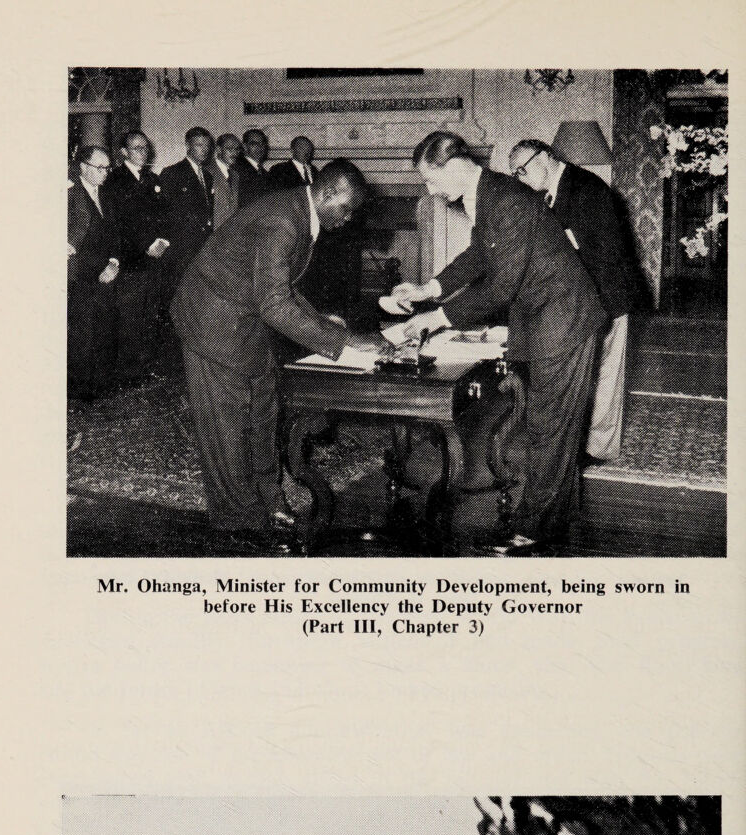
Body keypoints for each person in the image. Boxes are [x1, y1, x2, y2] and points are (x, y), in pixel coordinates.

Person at [392, 131, 607, 544]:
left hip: (563, 317)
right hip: (545, 315)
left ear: (454, 167)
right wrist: (429, 289)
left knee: (549, 424)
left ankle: (530, 532)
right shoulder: (487, 194)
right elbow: (478, 256)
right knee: (548, 422)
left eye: (431, 180)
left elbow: (500, 288)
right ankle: (552, 521)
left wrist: (436, 318)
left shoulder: (504, 199)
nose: (429, 190)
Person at [170, 158, 375, 540]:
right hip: (211, 319)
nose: (347, 219)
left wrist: (328, 325)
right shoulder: (283, 221)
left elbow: (282, 287)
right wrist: (343, 342)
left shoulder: (300, 210)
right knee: (227, 424)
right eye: (345, 209)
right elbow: (275, 304)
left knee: (265, 409)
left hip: (243, 315)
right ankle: (241, 520)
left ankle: (269, 497)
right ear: (327, 193)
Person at [509, 139, 639, 462]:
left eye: (524, 168)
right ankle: (580, 443)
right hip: (581, 300)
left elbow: (607, 256)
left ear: (547, 157)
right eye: (516, 174)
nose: (521, 177)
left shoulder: (587, 189)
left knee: (607, 376)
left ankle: (600, 449)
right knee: (586, 374)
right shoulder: (549, 195)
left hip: (607, 295)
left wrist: (599, 309)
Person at [104, 131, 169, 384]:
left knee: (150, 312)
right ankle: (129, 372)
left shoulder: (153, 178)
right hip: (132, 259)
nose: (142, 152)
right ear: (124, 152)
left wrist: (163, 241)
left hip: (156, 257)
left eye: (145, 148)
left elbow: (165, 213)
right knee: (131, 316)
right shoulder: (115, 180)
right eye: (136, 148)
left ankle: (145, 365)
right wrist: (147, 244)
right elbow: (120, 221)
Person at [67, 146, 120, 401]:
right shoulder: (69, 194)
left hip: (106, 273)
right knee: (82, 334)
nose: (105, 173)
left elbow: (114, 234)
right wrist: (99, 267)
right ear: (83, 167)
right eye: (100, 168)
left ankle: (100, 385)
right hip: (81, 275)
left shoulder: (107, 194)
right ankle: (80, 391)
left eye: (107, 167)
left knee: (103, 330)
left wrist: (113, 262)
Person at [159, 128, 214, 304]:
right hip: (182, 247)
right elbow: (167, 213)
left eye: (207, 145)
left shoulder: (207, 175)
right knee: (179, 295)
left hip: (202, 245)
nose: (204, 149)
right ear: (187, 146)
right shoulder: (172, 173)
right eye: (199, 145)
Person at [210, 134, 242, 229]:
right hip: (213, 232)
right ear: (219, 149)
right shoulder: (207, 171)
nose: (234, 153)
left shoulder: (235, 175)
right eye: (230, 148)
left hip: (230, 232)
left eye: (237, 149)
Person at [238, 129, 272, 207]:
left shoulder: (263, 172)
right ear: (245, 147)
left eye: (262, 144)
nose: (260, 147)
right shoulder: (238, 169)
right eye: (254, 144)